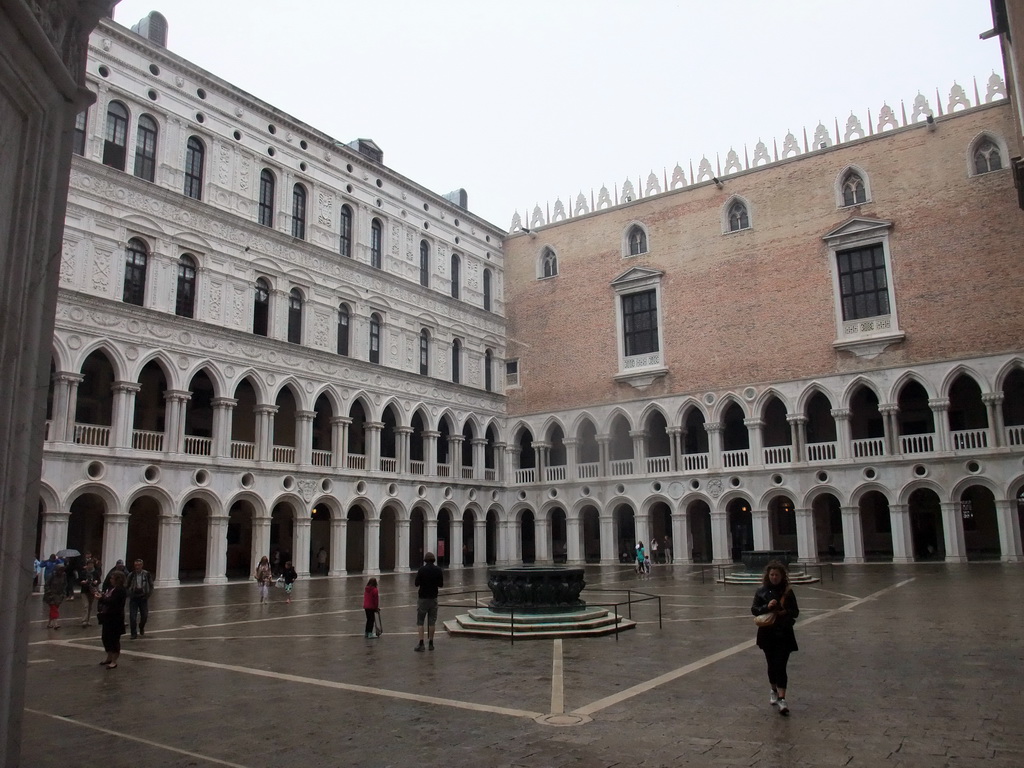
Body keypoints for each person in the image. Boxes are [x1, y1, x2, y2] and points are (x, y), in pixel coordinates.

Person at [751, 560, 800, 716]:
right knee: (772, 665)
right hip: (768, 634)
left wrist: (784, 612)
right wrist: (767, 607)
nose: (774, 577)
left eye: (776, 575)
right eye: (771, 575)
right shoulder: (761, 591)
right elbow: (755, 610)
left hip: (784, 633)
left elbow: (796, 612)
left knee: (781, 665)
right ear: (768, 575)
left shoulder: (788, 592)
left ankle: (782, 698)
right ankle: (773, 689)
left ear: (782, 576)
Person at [97, 570, 127, 669]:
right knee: (105, 638)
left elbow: (113, 602)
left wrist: (101, 598)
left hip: (115, 618)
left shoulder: (120, 590)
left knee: (114, 639)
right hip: (107, 617)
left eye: (112, 578)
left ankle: (114, 660)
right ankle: (109, 657)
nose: (110, 580)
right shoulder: (111, 588)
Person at [413, 552, 443, 652]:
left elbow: (416, 584)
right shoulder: (438, 570)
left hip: (423, 598)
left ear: (425, 560)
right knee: (432, 622)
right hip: (433, 598)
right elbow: (441, 584)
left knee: (420, 622)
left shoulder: (422, 570)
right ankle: (431, 643)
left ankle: (421, 643)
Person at [125, 558, 154, 638]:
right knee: (132, 617)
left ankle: (141, 627)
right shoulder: (131, 575)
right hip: (134, 597)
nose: (137, 567)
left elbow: (151, 585)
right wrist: (129, 594)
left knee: (144, 615)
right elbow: (126, 585)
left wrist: (148, 595)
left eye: (139, 565)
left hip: (143, 597)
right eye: (136, 565)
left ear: (142, 565)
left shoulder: (146, 574)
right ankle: (133, 633)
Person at [43, 564, 67, 629]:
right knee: (54, 609)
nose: (61, 572)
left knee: (54, 609)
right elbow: (47, 585)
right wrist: (49, 593)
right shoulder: (51, 575)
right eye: (60, 570)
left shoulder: (63, 576)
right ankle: (55, 623)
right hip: (51, 594)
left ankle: (50, 623)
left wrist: (63, 593)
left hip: (59, 595)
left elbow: (64, 584)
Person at [79, 559, 101, 626]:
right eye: (89, 564)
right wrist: (82, 582)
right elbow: (79, 580)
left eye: (92, 564)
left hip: (92, 591)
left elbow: (99, 580)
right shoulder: (83, 572)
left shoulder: (95, 572)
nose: (90, 566)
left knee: (90, 606)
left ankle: (88, 620)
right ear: (87, 565)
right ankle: (84, 620)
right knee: (86, 605)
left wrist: (96, 582)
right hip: (84, 591)